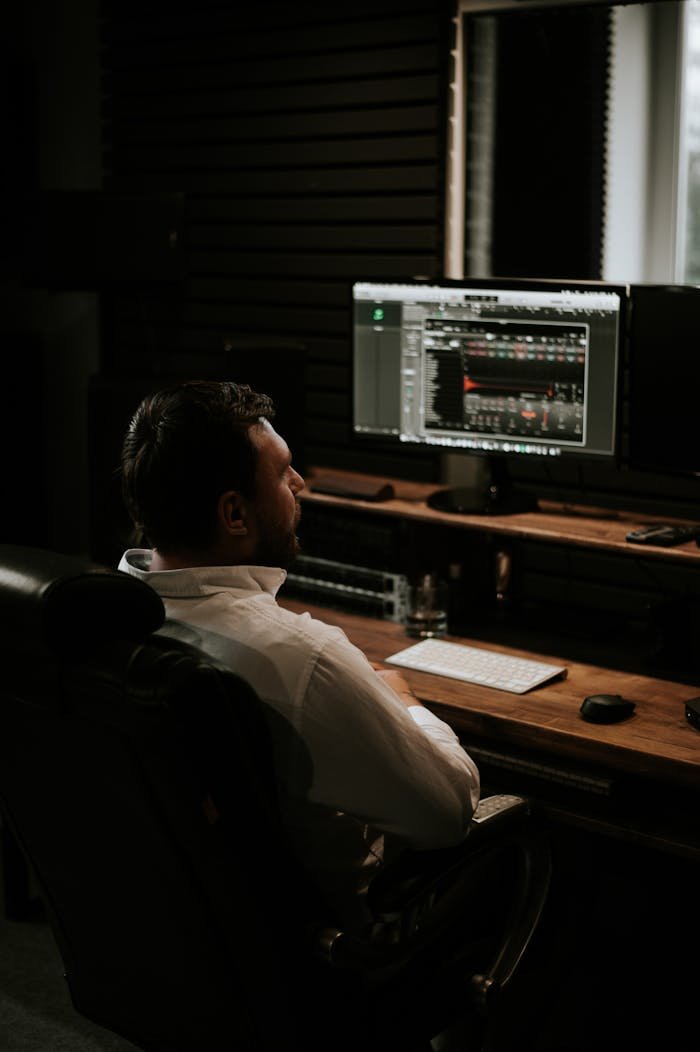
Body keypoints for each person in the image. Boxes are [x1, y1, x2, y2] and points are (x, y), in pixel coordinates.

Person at [118, 379, 480, 932]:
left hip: (177, 937)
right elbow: (447, 812)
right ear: (234, 515)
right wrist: (405, 704)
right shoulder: (303, 658)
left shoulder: (107, 618)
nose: (299, 482)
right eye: (283, 472)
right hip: (340, 943)